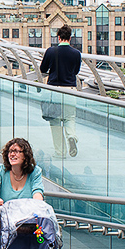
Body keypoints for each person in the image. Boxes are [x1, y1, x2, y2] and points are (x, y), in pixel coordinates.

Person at [39, 24, 81, 158]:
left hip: (54, 90)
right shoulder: (76, 53)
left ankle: (60, 152)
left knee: (55, 121)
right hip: (70, 90)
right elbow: (76, 71)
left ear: (58, 37)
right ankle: (71, 137)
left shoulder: (51, 51)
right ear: (70, 38)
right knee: (69, 118)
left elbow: (43, 69)